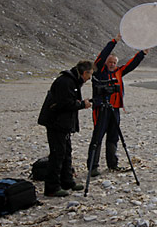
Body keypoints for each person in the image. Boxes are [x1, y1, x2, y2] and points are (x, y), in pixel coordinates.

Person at [88, 33, 148, 176]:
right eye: (110, 62)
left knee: (113, 137)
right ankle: (93, 167)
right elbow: (103, 55)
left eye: (114, 62)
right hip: (101, 109)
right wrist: (114, 41)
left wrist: (142, 54)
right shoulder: (99, 71)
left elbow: (131, 64)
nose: (112, 64)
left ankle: (112, 164)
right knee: (97, 137)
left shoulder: (119, 72)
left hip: (115, 109)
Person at [38, 61, 93, 197]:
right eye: (90, 75)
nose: (89, 79)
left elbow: (68, 101)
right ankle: (52, 188)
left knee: (66, 152)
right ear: (85, 72)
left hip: (64, 123)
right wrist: (82, 105)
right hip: (56, 123)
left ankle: (67, 181)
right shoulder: (66, 81)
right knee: (57, 154)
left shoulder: (73, 81)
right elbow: (65, 103)